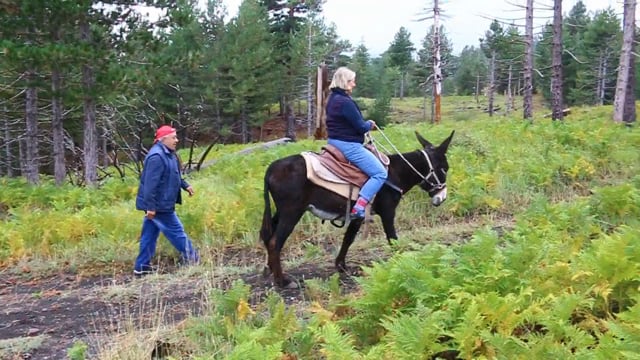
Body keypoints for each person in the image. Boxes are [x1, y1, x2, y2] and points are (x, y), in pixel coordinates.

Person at [134, 125, 199, 276]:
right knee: (177, 231)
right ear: (163, 139)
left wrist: (185, 185)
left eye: (176, 137)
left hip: (161, 203)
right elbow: (150, 185)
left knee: (149, 235)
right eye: (173, 137)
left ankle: (141, 267)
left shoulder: (170, 154)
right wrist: (151, 207)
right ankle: (194, 259)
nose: (177, 140)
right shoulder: (156, 157)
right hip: (159, 205)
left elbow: (173, 175)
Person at [325, 66, 388, 219]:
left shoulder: (332, 99)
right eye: (352, 81)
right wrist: (369, 125)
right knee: (380, 173)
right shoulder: (346, 102)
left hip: (333, 142)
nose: (354, 84)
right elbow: (360, 127)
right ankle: (359, 207)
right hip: (349, 145)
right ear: (345, 82)